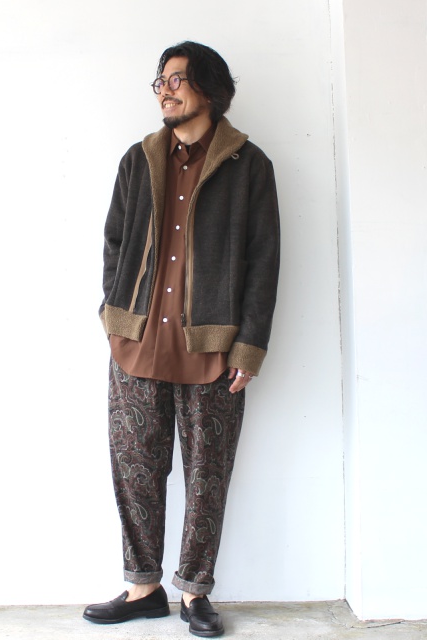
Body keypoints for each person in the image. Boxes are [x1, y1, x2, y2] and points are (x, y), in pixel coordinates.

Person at [83, 41, 280, 637]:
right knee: (135, 471)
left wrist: (249, 347)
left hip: (212, 352)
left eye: (176, 79)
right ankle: (142, 588)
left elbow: (263, 262)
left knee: (207, 474)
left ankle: (195, 593)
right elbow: (114, 242)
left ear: (210, 89)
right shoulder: (138, 160)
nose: (164, 90)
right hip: (136, 345)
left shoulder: (249, 166)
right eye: (160, 81)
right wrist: (114, 313)